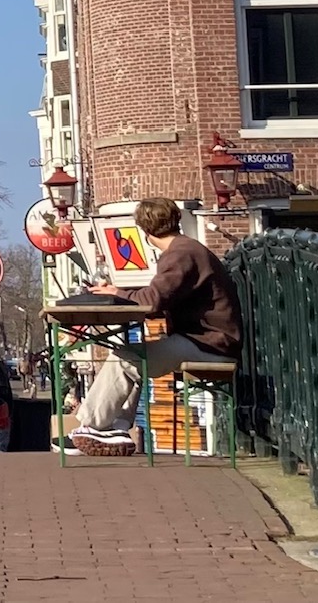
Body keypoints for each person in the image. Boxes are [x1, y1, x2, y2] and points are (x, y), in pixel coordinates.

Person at [70, 196, 242, 457]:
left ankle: (91, 426)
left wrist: (116, 293)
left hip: (209, 343)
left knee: (124, 359)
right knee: (135, 359)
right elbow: (160, 297)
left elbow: (151, 301)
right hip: (209, 340)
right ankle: (116, 429)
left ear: (145, 230)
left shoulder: (180, 254)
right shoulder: (188, 249)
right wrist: (122, 293)